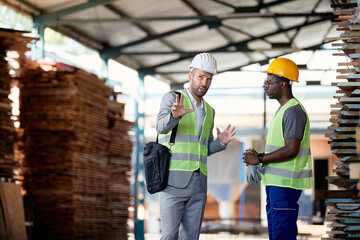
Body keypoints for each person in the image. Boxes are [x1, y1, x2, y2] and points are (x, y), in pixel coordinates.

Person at [156, 52, 236, 240]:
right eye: (201, 77)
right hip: (172, 182)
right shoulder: (172, 99)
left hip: (198, 184)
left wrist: (220, 143)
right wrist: (174, 117)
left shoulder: (209, 111)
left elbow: (203, 148)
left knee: (191, 237)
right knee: (169, 236)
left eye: (209, 79)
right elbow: (160, 127)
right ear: (190, 75)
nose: (204, 83)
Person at [243, 58, 313, 240]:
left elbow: (291, 150)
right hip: (277, 186)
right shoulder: (282, 110)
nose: (266, 87)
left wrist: (259, 160)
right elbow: (283, 147)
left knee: (283, 235)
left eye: (269, 82)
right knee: (277, 235)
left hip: (286, 186)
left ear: (283, 84)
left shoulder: (293, 111)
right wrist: (258, 156)